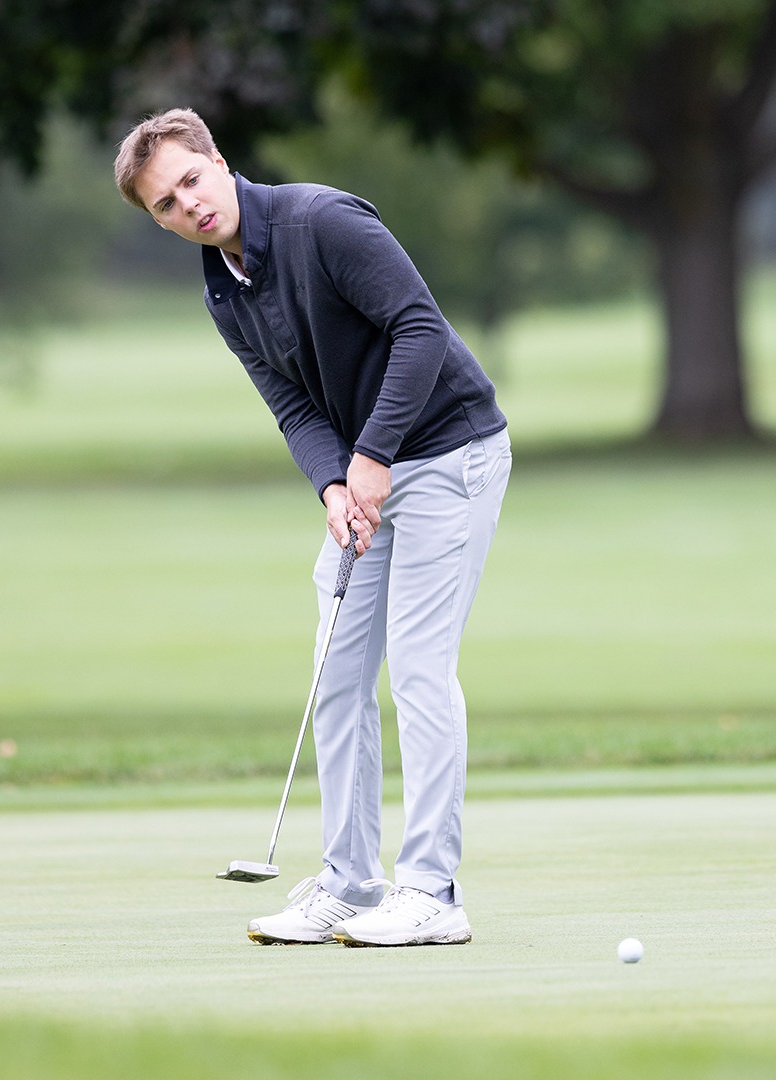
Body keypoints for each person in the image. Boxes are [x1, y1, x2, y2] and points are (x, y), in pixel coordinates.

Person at [114, 109, 511, 947]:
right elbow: (290, 401)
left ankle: (433, 893)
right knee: (336, 670)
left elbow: (419, 329)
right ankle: (352, 883)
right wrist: (333, 482)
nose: (189, 207)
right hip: (365, 476)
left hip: (449, 454)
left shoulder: (322, 221)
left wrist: (372, 454)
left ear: (218, 161)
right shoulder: (222, 286)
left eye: (192, 181)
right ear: (156, 220)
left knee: (419, 669)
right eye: (166, 205)